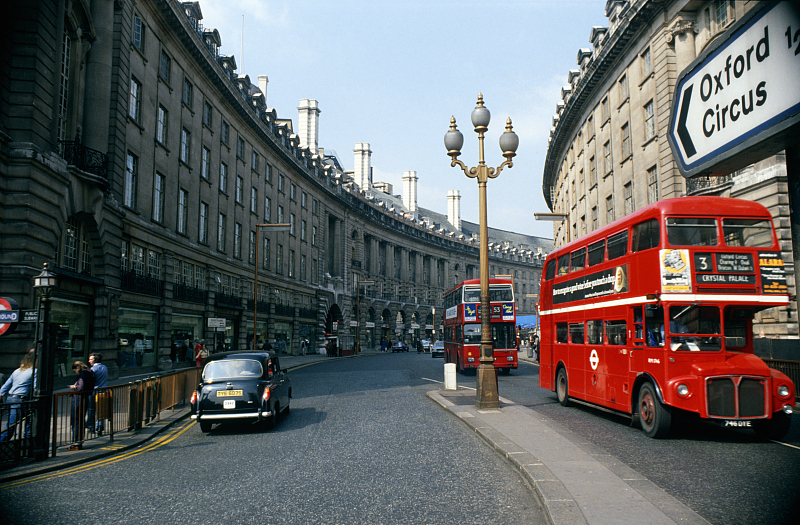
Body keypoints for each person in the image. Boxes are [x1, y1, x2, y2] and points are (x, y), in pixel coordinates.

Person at [0, 352, 36, 441]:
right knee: (12, 425)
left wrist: (1, 395)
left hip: (11, 398)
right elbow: (35, 387)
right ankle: (2, 443)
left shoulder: (17, 371)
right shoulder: (34, 371)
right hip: (21, 399)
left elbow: (4, 387)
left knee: (19, 422)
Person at [68, 361, 95, 450]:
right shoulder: (90, 372)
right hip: (86, 398)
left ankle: (76, 443)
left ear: (77, 368)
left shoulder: (82, 374)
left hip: (78, 398)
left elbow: (80, 387)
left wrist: (74, 387)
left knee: (76, 420)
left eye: (75, 370)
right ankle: (79, 442)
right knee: (80, 420)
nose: (75, 372)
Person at [86, 353, 109, 435]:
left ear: (95, 360)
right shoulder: (104, 367)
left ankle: (91, 427)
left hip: (94, 391)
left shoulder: (93, 369)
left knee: (92, 409)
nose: (89, 361)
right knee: (101, 409)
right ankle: (100, 426)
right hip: (103, 391)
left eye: (90, 359)